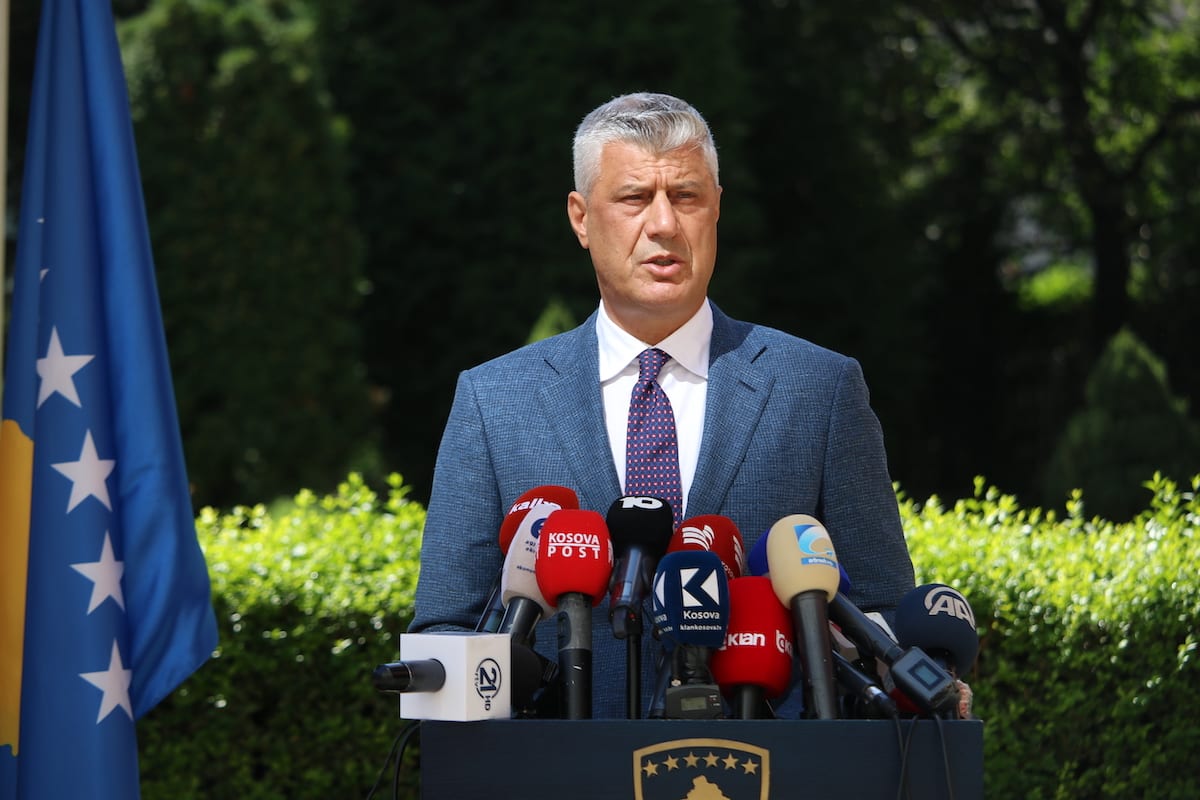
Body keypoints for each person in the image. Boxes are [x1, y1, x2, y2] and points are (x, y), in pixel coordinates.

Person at [409, 92, 915, 719]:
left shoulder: (819, 387)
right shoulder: (494, 400)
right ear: (581, 217)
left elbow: (883, 610)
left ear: (716, 210)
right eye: (632, 198)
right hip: (558, 774)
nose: (664, 224)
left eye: (686, 196)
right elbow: (446, 627)